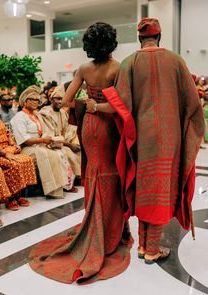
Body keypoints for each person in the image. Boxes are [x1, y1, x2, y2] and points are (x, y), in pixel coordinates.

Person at [88, 18, 205, 264]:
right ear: (159, 37)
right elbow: (192, 103)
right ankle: (152, 249)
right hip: (169, 139)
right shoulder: (176, 61)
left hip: (140, 139)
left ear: (140, 39)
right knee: (161, 190)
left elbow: (120, 105)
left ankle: (142, 246)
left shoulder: (129, 63)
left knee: (144, 188)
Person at [29, 22, 133, 285]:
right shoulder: (117, 68)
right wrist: (98, 105)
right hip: (107, 127)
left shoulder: (84, 69)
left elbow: (65, 102)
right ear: (111, 42)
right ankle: (108, 231)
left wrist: (88, 103)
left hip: (88, 128)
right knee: (110, 174)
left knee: (93, 172)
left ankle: (95, 222)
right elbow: (120, 106)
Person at [11, 85, 74, 198]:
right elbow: (24, 140)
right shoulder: (19, 117)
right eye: (32, 99)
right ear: (25, 101)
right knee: (50, 155)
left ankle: (62, 186)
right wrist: (43, 140)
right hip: (27, 148)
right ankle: (51, 189)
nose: (36, 102)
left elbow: (45, 131)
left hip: (40, 145)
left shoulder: (36, 115)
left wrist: (50, 141)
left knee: (60, 152)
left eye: (37, 100)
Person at [39, 84, 81, 185]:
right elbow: (50, 136)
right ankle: (66, 184)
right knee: (68, 152)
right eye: (57, 99)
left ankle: (76, 180)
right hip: (50, 144)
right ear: (51, 99)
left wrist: (72, 142)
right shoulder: (45, 113)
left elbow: (68, 130)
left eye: (62, 99)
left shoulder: (63, 112)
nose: (60, 101)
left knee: (78, 149)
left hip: (62, 142)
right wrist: (69, 144)